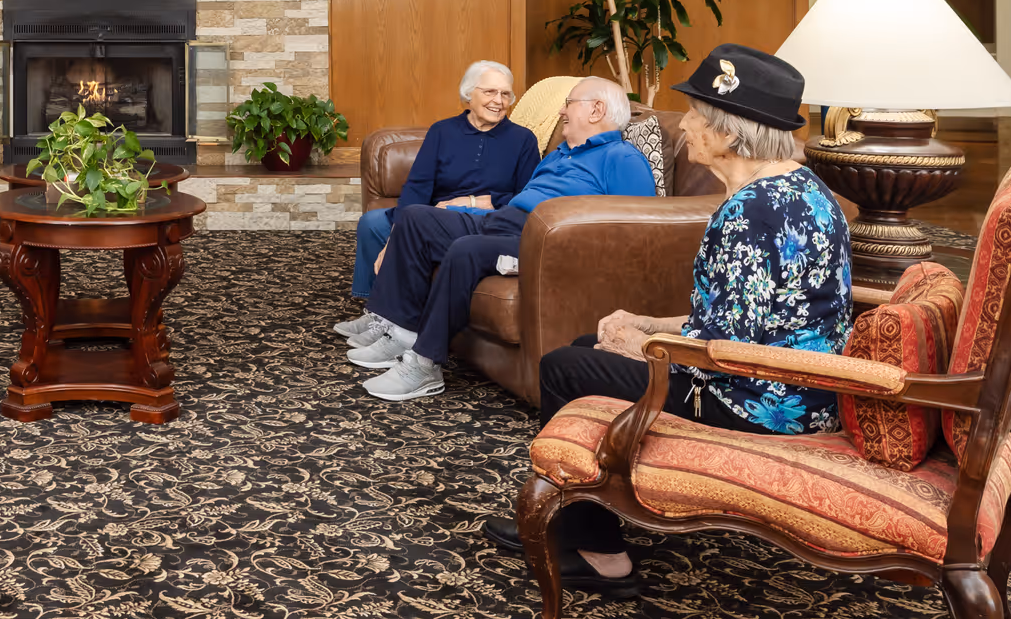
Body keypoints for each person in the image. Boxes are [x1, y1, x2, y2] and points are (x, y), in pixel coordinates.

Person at [484, 44, 851, 600]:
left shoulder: (749, 211)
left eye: (699, 114)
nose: (688, 125)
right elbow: (735, 314)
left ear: (730, 133)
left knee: (564, 366)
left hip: (756, 400)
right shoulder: (803, 189)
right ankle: (596, 504)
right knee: (587, 344)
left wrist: (640, 344)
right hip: (794, 385)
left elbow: (724, 348)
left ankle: (600, 552)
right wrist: (646, 320)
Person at [347, 76, 654, 401]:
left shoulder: (622, 158)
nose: (561, 111)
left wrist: (566, 248)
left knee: (466, 249)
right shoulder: (558, 155)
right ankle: (402, 331)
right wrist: (466, 211)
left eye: (569, 103)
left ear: (596, 110)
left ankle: (424, 365)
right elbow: (517, 201)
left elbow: (636, 230)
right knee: (415, 218)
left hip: (540, 241)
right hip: (501, 221)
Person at [335, 60, 538, 308]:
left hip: (488, 219)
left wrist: (477, 201)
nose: (499, 100)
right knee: (373, 223)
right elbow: (418, 186)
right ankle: (372, 305)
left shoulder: (523, 139)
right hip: (436, 215)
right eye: (490, 92)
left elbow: (527, 195)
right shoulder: (442, 131)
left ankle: (398, 310)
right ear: (469, 94)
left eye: (505, 94)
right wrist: (395, 234)